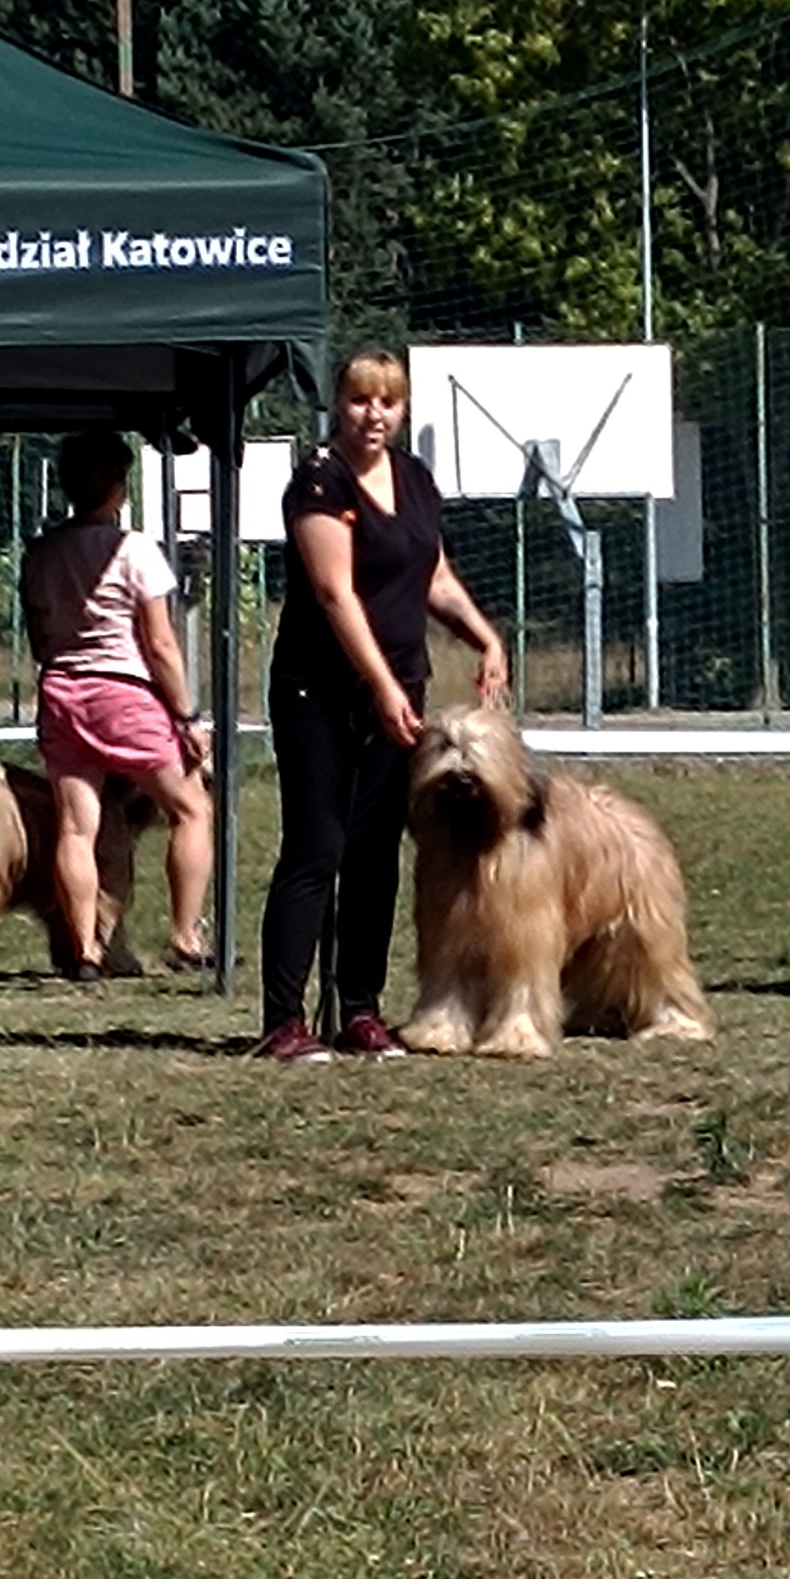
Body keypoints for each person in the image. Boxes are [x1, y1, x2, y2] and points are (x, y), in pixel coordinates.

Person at [257, 346, 509, 1063]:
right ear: (339, 405)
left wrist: (485, 637)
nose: (374, 415)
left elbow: (433, 575)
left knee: (374, 854)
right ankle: (284, 1021)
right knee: (317, 847)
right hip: (320, 691)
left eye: (388, 402)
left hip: (398, 694)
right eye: (361, 400)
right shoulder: (318, 480)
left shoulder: (416, 480)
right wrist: (381, 683)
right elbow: (334, 593)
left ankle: (360, 1010)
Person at [21, 428, 213, 980]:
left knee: (76, 827)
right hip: (123, 694)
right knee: (191, 808)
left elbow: (39, 636)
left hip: (62, 691)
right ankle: (186, 935)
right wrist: (186, 715)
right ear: (118, 488)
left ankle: (84, 948)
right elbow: (160, 643)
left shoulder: (41, 553)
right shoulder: (135, 551)